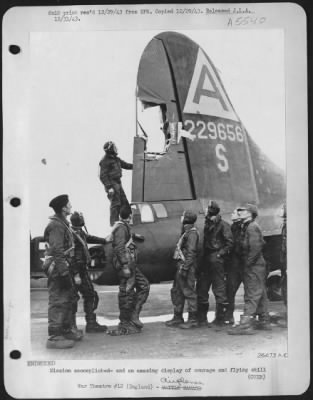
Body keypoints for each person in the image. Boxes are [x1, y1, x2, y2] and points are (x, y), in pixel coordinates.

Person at [43, 194, 81, 349]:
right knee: (58, 301)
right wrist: (64, 273)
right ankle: (54, 337)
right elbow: (58, 251)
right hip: (58, 269)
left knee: (69, 299)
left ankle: (65, 330)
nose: (71, 206)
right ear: (64, 208)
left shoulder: (62, 224)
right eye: (69, 204)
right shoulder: (56, 226)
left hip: (63, 267)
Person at [228, 203, 271, 335]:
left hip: (253, 266)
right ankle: (264, 320)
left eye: (243, 210)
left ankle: (246, 324)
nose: (240, 212)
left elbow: (256, 248)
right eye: (239, 210)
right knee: (260, 291)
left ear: (250, 213)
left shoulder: (252, 227)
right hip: (254, 265)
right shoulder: (245, 226)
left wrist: (247, 264)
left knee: (252, 293)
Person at [108, 206, 150, 336]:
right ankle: (125, 324)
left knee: (144, 286)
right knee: (126, 293)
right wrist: (125, 266)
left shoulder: (123, 227)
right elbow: (119, 247)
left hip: (131, 265)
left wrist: (134, 235)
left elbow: (124, 238)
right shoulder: (121, 228)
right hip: (126, 265)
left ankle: (133, 316)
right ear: (130, 216)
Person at [69, 211, 108, 333]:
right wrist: (76, 275)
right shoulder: (71, 234)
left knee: (91, 295)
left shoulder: (80, 232)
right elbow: (71, 256)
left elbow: (90, 238)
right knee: (73, 299)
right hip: (76, 271)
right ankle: (72, 327)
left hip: (82, 269)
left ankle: (91, 324)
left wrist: (104, 240)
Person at [197, 200, 233, 327]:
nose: (205, 210)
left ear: (211, 210)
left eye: (207, 208)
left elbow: (229, 243)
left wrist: (219, 254)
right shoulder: (208, 224)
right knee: (202, 288)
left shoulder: (223, 225)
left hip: (216, 260)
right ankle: (202, 319)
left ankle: (220, 319)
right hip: (207, 259)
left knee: (219, 288)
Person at [165, 210, 200, 329]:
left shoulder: (192, 234)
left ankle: (193, 320)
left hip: (186, 267)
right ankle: (177, 317)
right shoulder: (187, 232)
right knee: (177, 291)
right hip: (182, 266)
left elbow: (191, 252)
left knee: (189, 292)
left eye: (183, 216)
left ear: (187, 219)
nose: (181, 218)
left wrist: (185, 268)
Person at [99, 141, 133, 226]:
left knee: (124, 201)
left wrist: (136, 165)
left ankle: (128, 220)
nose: (116, 148)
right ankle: (114, 226)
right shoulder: (105, 161)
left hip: (117, 183)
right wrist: (109, 187)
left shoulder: (115, 159)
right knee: (116, 204)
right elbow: (103, 176)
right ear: (111, 149)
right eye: (114, 147)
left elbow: (125, 165)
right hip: (112, 184)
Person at [224, 208, 244, 325]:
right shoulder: (233, 227)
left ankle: (255, 317)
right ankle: (229, 316)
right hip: (234, 265)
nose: (231, 214)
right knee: (229, 291)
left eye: (234, 213)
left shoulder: (243, 228)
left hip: (241, 264)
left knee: (250, 292)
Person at [278, 203, 287, 327]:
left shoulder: (289, 225)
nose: (280, 210)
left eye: (283, 208)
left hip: (288, 263)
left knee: (288, 289)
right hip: (286, 262)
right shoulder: (286, 224)